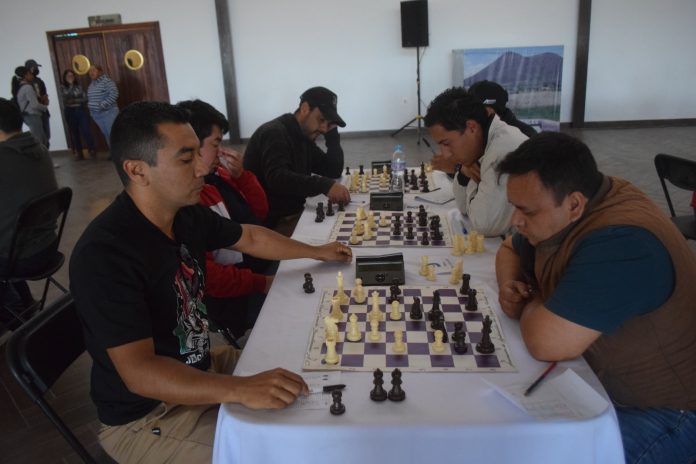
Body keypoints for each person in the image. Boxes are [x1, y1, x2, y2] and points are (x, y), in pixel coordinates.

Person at [69, 101, 353, 463]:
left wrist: (317, 251)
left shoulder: (184, 214)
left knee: (321, 371)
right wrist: (240, 388)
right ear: (137, 170)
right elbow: (140, 373)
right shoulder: (105, 254)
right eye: (186, 159)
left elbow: (250, 237)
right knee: (277, 454)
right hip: (150, 415)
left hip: (202, 366)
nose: (203, 167)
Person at [494, 132, 696, 464]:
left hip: (669, 411)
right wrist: (510, 285)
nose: (515, 221)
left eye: (525, 211)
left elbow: (546, 342)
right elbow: (508, 250)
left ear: (574, 204)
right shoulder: (573, 205)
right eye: (514, 207)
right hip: (602, 384)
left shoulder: (623, 241)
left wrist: (533, 296)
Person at [177, 99, 272, 337]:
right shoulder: (189, 197)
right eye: (216, 143)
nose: (221, 151)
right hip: (234, 300)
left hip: (257, 268)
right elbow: (208, 276)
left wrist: (242, 177)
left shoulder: (220, 175)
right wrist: (261, 282)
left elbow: (259, 214)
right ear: (192, 144)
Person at [243, 86, 351, 236]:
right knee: (340, 238)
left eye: (328, 123)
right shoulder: (275, 132)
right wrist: (324, 185)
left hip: (292, 215)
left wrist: (332, 134)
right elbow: (278, 178)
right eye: (321, 120)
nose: (323, 129)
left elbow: (332, 169)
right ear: (305, 108)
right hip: (272, 224)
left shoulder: (302, 136)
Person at [424, 87, 527, 236]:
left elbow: (483, 224)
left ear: (471, 127)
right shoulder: (480, 145)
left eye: (446, 143)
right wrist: (464, 172)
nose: (445, 155)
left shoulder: (502, 151)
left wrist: (472, 180)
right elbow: (462, 207)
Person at [0, 98, 57, 330]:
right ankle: (26, 306)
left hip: (21, 258)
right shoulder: (40, 149)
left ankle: (17, 322)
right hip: (47, 247)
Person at [467, 80, 537, 138]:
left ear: (491, 109)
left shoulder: (525, 135)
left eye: (476, 109)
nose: (472, 115)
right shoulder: (474, 132)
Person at [61, 69, 96, 160]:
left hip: (80, 110)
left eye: (72, 75)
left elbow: (85, 99)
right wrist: (71, 87)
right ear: (65, 77)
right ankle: (79, 153)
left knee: (86, 130)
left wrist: (74, 100)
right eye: (68, 76)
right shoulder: (62, 87)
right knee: (74, 133)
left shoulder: (79, 87)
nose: (70, 77)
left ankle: (92, 150)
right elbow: (66, 99)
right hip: (70, 112)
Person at [14, 66, 49, 148]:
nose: (32, 76)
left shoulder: (19, 87)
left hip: (27, 115)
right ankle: (40, 156)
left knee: (41, 139)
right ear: (25, 75)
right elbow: (34, 104)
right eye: (29, 74)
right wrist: (45, 107)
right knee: (39, 140)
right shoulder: (27, 87)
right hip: (33, 115)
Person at [87, 65, 119, 149]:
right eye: (90, 71)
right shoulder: (91, 85)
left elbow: (114, 94)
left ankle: (119, 154)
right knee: (107, 135)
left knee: (113, 135)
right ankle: (113, 152)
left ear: (100, 72)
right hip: (97, 115)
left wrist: (102, 105)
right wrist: (91, 111)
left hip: (108, 113)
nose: (91, 72)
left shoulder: (107, 82)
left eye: (94, 70)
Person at [24, 59, 51, 149]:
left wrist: (46, 100)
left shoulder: (39, 81)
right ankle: (41, 155)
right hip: (34, 113)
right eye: (35, 67)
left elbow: (44, 95)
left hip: (43, 111)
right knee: (39, 137)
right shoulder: (25, 84)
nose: (36, 69)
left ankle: (46, 153)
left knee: (47, 135)